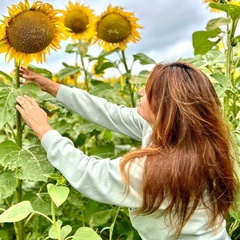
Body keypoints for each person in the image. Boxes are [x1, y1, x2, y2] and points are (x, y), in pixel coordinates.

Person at [16, 62, 237, 240]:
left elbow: (89, 172)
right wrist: (53, 87)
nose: (140, 90)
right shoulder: (192, 138)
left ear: (165, 107)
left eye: (148, 90)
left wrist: (44, 130)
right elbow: (108, 112)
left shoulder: (160, 170)